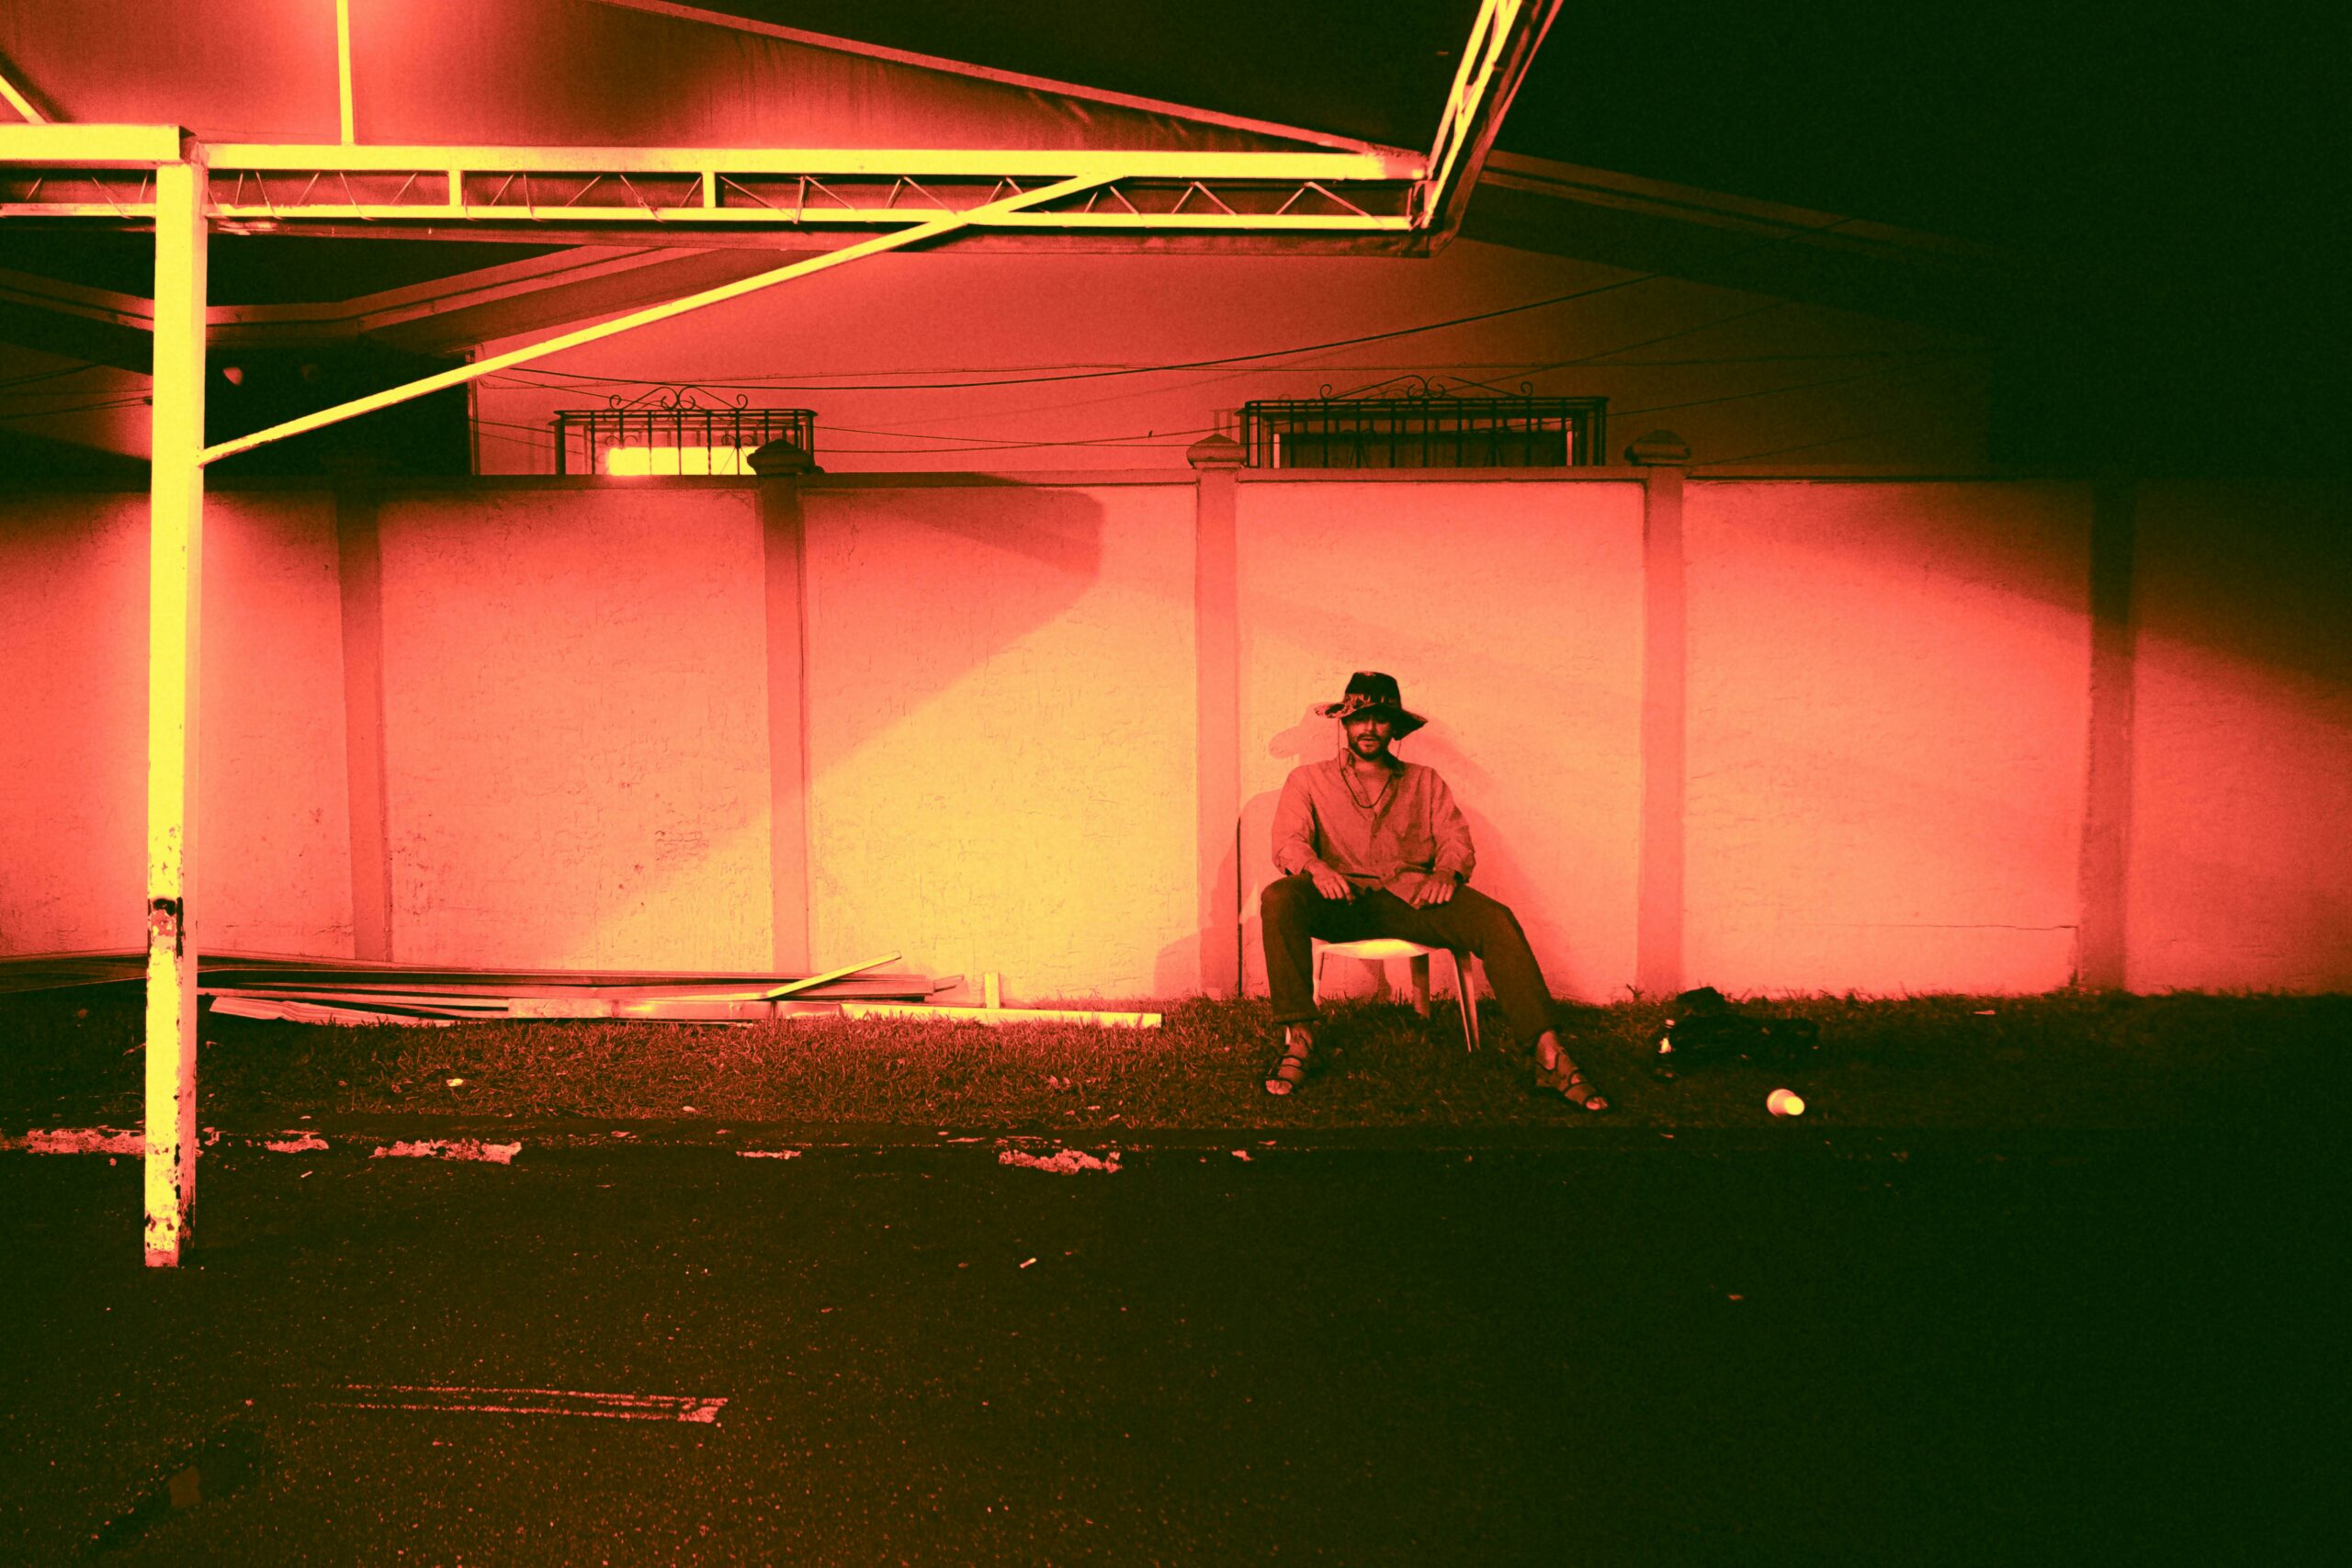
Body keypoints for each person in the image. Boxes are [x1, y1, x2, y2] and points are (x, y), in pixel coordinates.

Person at [1260, 671, 1607, 1111]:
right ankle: (1301, 1038)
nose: (1369, 728)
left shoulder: (1425, 781)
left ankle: (1549, 1055)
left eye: (1381, 719)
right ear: (1344, 724)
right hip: (1340, 901)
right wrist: (1317, 868)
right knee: (1279, 898)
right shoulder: (1308, 780)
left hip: (1412, 900)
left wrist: (1448, 873)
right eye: (1359, 718)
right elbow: (1288, 842)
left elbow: (1455, 840)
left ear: (1395, 727)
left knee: (1495, 919)